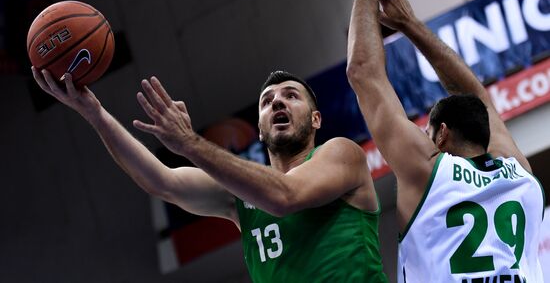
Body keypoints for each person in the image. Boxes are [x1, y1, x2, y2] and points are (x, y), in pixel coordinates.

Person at [32, 68, 388, 282]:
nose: (277, 102)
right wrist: (95, 115)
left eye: (291, 96)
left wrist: (190, 143)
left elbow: (285, 196)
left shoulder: (342, 154)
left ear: (316, 119)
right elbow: (162, 182)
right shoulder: (241, 196)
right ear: (260, 131)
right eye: (267, 101)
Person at [346, 0, 544, 283]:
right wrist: (410, 24)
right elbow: (480, 100)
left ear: (441, 135)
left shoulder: (429, 174)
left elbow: (364, 74)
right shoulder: (521, 177)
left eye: (426, 132)